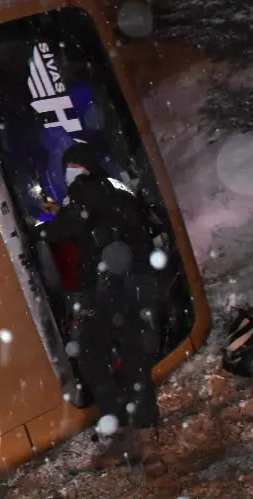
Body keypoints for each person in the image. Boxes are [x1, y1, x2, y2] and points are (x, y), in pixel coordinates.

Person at [41, 143, 165, 454]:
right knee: (135, 360)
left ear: (78, 169)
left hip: (109, 287)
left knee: (92, 356)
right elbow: (106, 218)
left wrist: (51, 221)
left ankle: (117, 435)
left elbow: (58, 232)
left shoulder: (83, 189)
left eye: (70, 169)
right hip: (140, 282)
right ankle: (148, 440)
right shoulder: (117, 187)